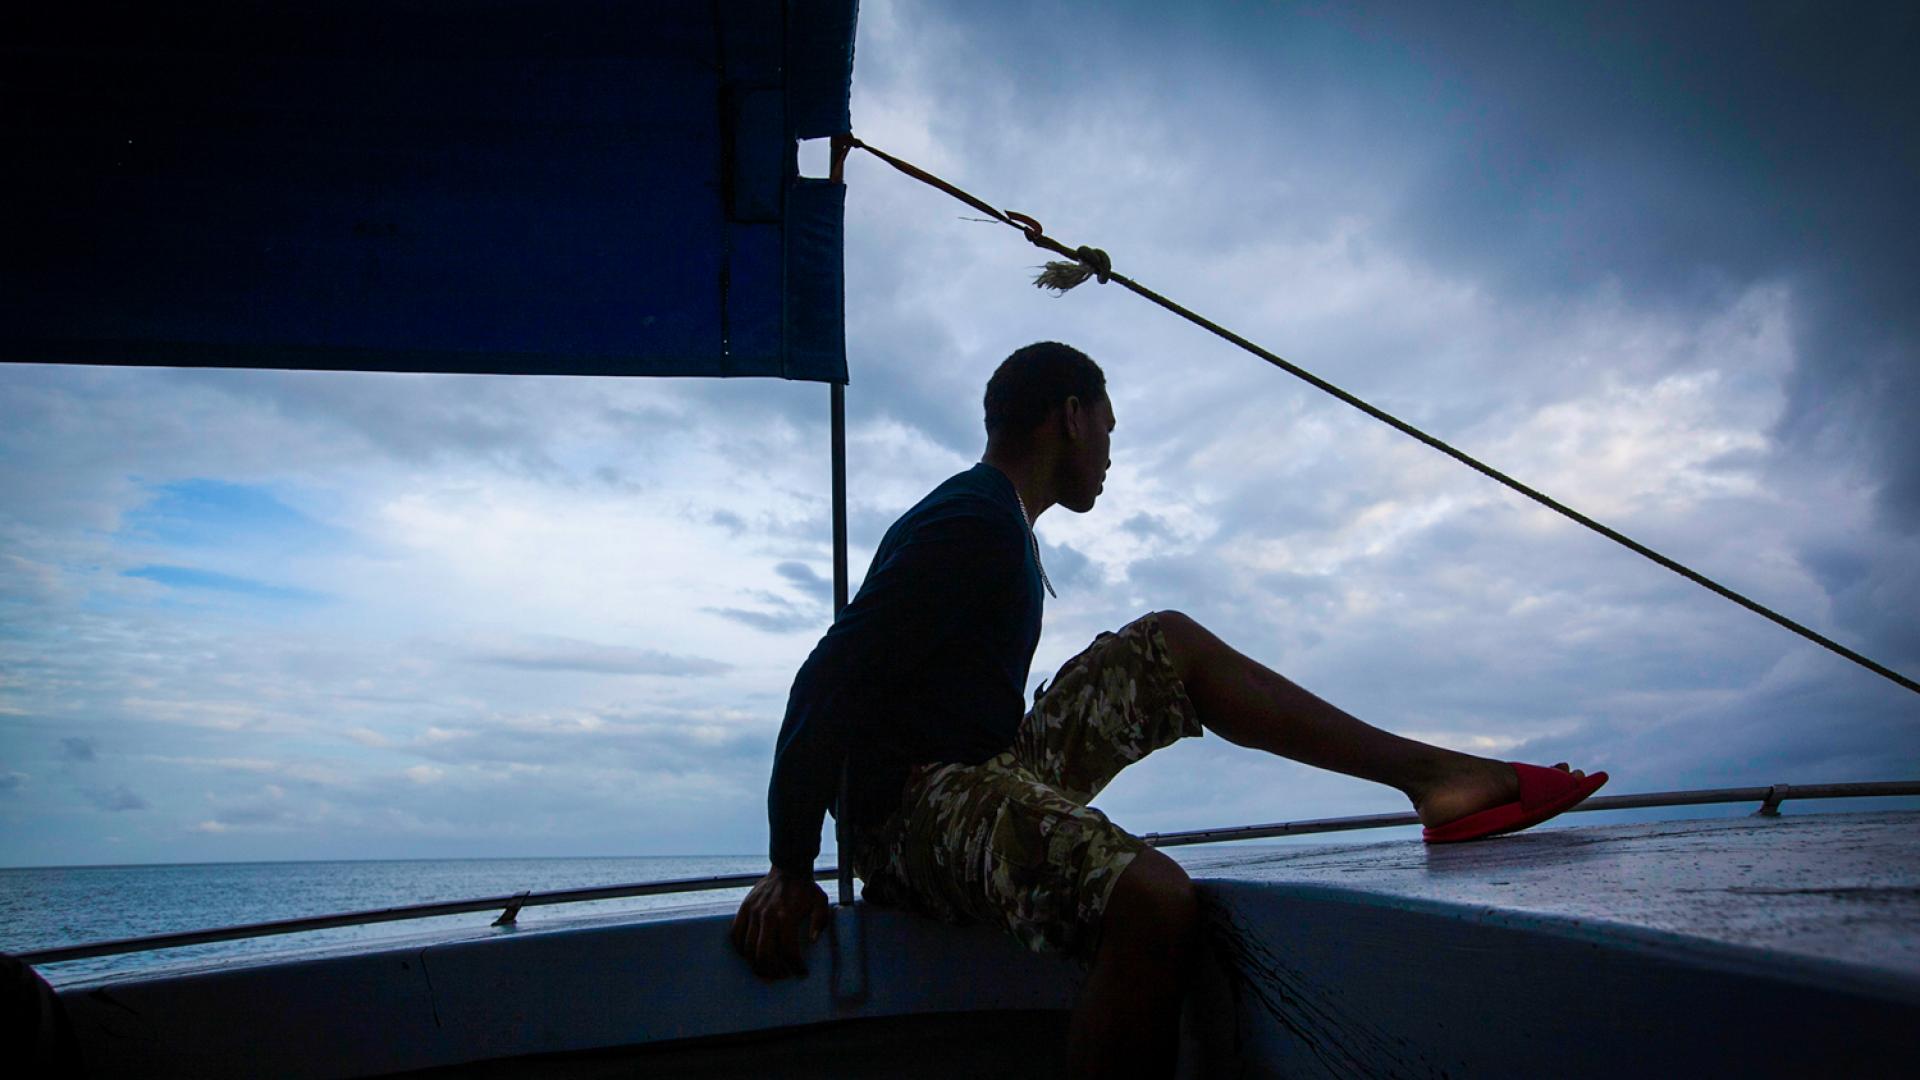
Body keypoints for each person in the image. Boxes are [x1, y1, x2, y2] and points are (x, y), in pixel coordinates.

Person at [730, 341, 1606, 1078]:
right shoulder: (970, 522)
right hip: (912, 814)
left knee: (1169, 647)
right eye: (1109, 428)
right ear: (1071, 416)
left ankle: (1433, 780)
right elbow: (828, 675)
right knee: (1153, 901)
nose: (1112, 453)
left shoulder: (993, 517)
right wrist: (791, 865)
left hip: (975, 771)